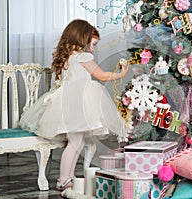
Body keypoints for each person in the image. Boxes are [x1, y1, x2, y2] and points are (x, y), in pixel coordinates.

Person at [19, 19, 129, 191]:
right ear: (82, 39)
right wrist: (121, 74)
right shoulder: (83, 57)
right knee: (75, 143)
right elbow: (102, 76)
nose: (93, 49)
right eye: (92, 44)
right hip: (77, 103)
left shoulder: (67, 57)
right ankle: (63, 179)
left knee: (76, 142)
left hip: (66, 102)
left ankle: (68, 177)